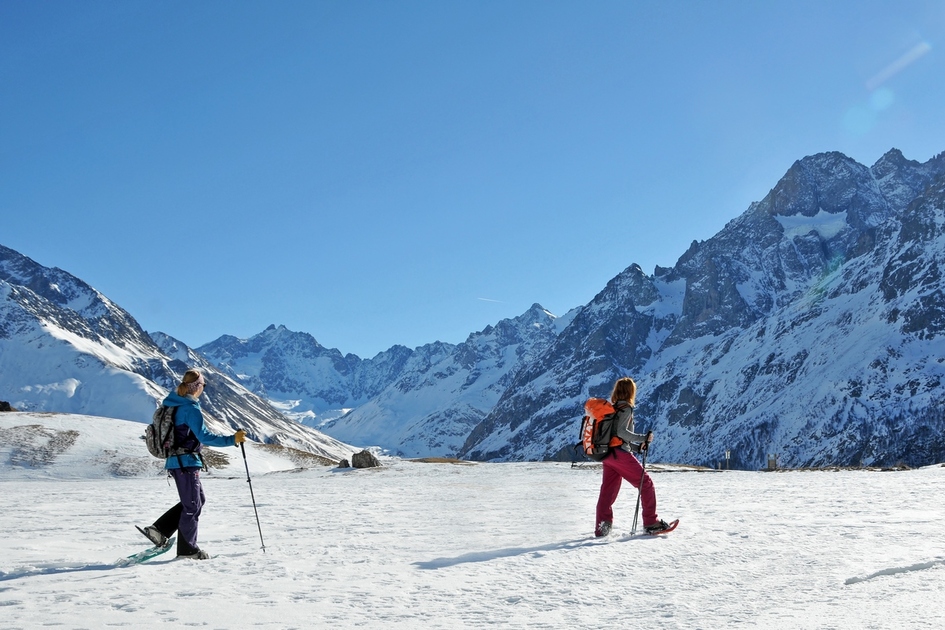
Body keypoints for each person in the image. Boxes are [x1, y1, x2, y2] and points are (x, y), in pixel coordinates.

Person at [138, 369, 246, 559]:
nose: (203, 389)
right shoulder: (190, 409)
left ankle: (160, 530)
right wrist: (233, 439)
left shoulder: (173, 404)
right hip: (185, 462)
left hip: (176, 461)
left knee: (196, 501)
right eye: (203, 385)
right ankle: (187, 550)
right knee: (192, 505)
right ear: (197, 387)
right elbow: (204, 436)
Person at [595, 376, 672, 536]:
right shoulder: (626, 408)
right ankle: (651, 522)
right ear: (630, 392)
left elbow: (616, 436)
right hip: (619, 455)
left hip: (607, 455)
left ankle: (602, 527)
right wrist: (643, 438)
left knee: (607, 492)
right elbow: (622, 433)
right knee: (646, 483)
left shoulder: (612, 408)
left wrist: (637, 447)